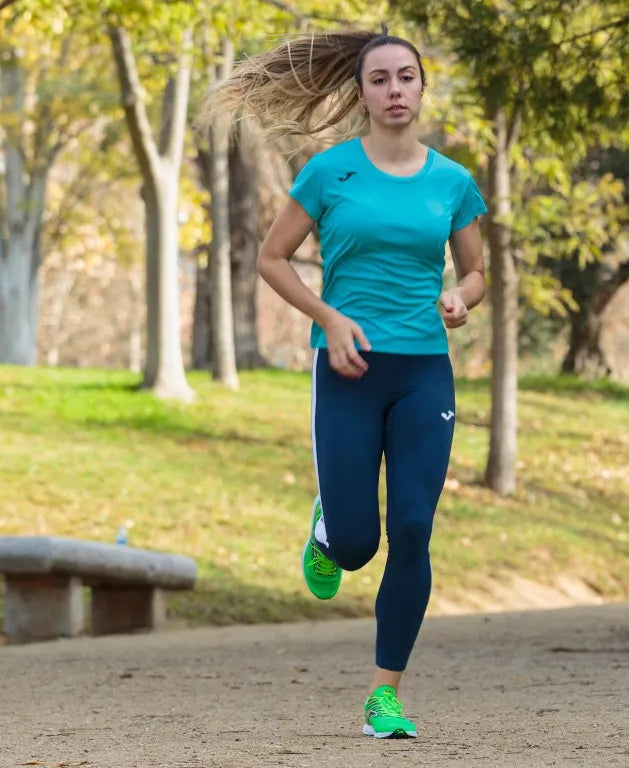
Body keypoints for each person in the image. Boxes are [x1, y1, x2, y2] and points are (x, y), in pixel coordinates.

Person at [204, 25, 487, 739]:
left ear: (422, 88)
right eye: (380, 79)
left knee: (413, 529)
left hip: (423, 372)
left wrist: (461, 297)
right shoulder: (329, 173)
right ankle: (329, 528)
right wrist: (328, 319)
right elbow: (272, 258)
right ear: (361, 94)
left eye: (406, 77)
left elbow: (477, 271)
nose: (395, 90)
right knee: (359, 546)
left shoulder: (452, 182)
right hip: (347, 370)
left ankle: (384, 695)